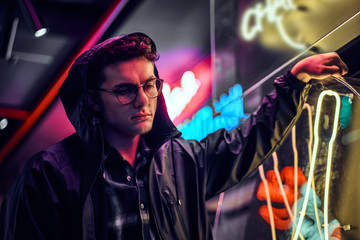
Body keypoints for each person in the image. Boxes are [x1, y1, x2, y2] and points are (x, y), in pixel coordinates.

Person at [0, 32, 348, 239]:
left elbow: (250, 141)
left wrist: (293, 83)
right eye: (124, 90)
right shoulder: (47, 174)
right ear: (92, 100)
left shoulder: (180, 160)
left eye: (149, 85)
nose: (142, 100)